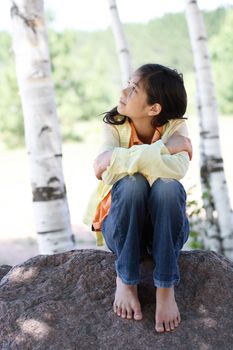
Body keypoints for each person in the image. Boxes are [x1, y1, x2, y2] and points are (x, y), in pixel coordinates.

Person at [83, 63, 192, 333]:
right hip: (120, 226)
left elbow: (177, 170)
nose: (123, 91)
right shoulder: (115, 126)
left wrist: (115, 158)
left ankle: (165, 288)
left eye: (133, 88)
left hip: (161, 231)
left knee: (168, 188)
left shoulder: (175, 128)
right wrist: (163, 150)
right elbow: (107, 175)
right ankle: (126, 279)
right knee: (132, 185)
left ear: (154, 109)